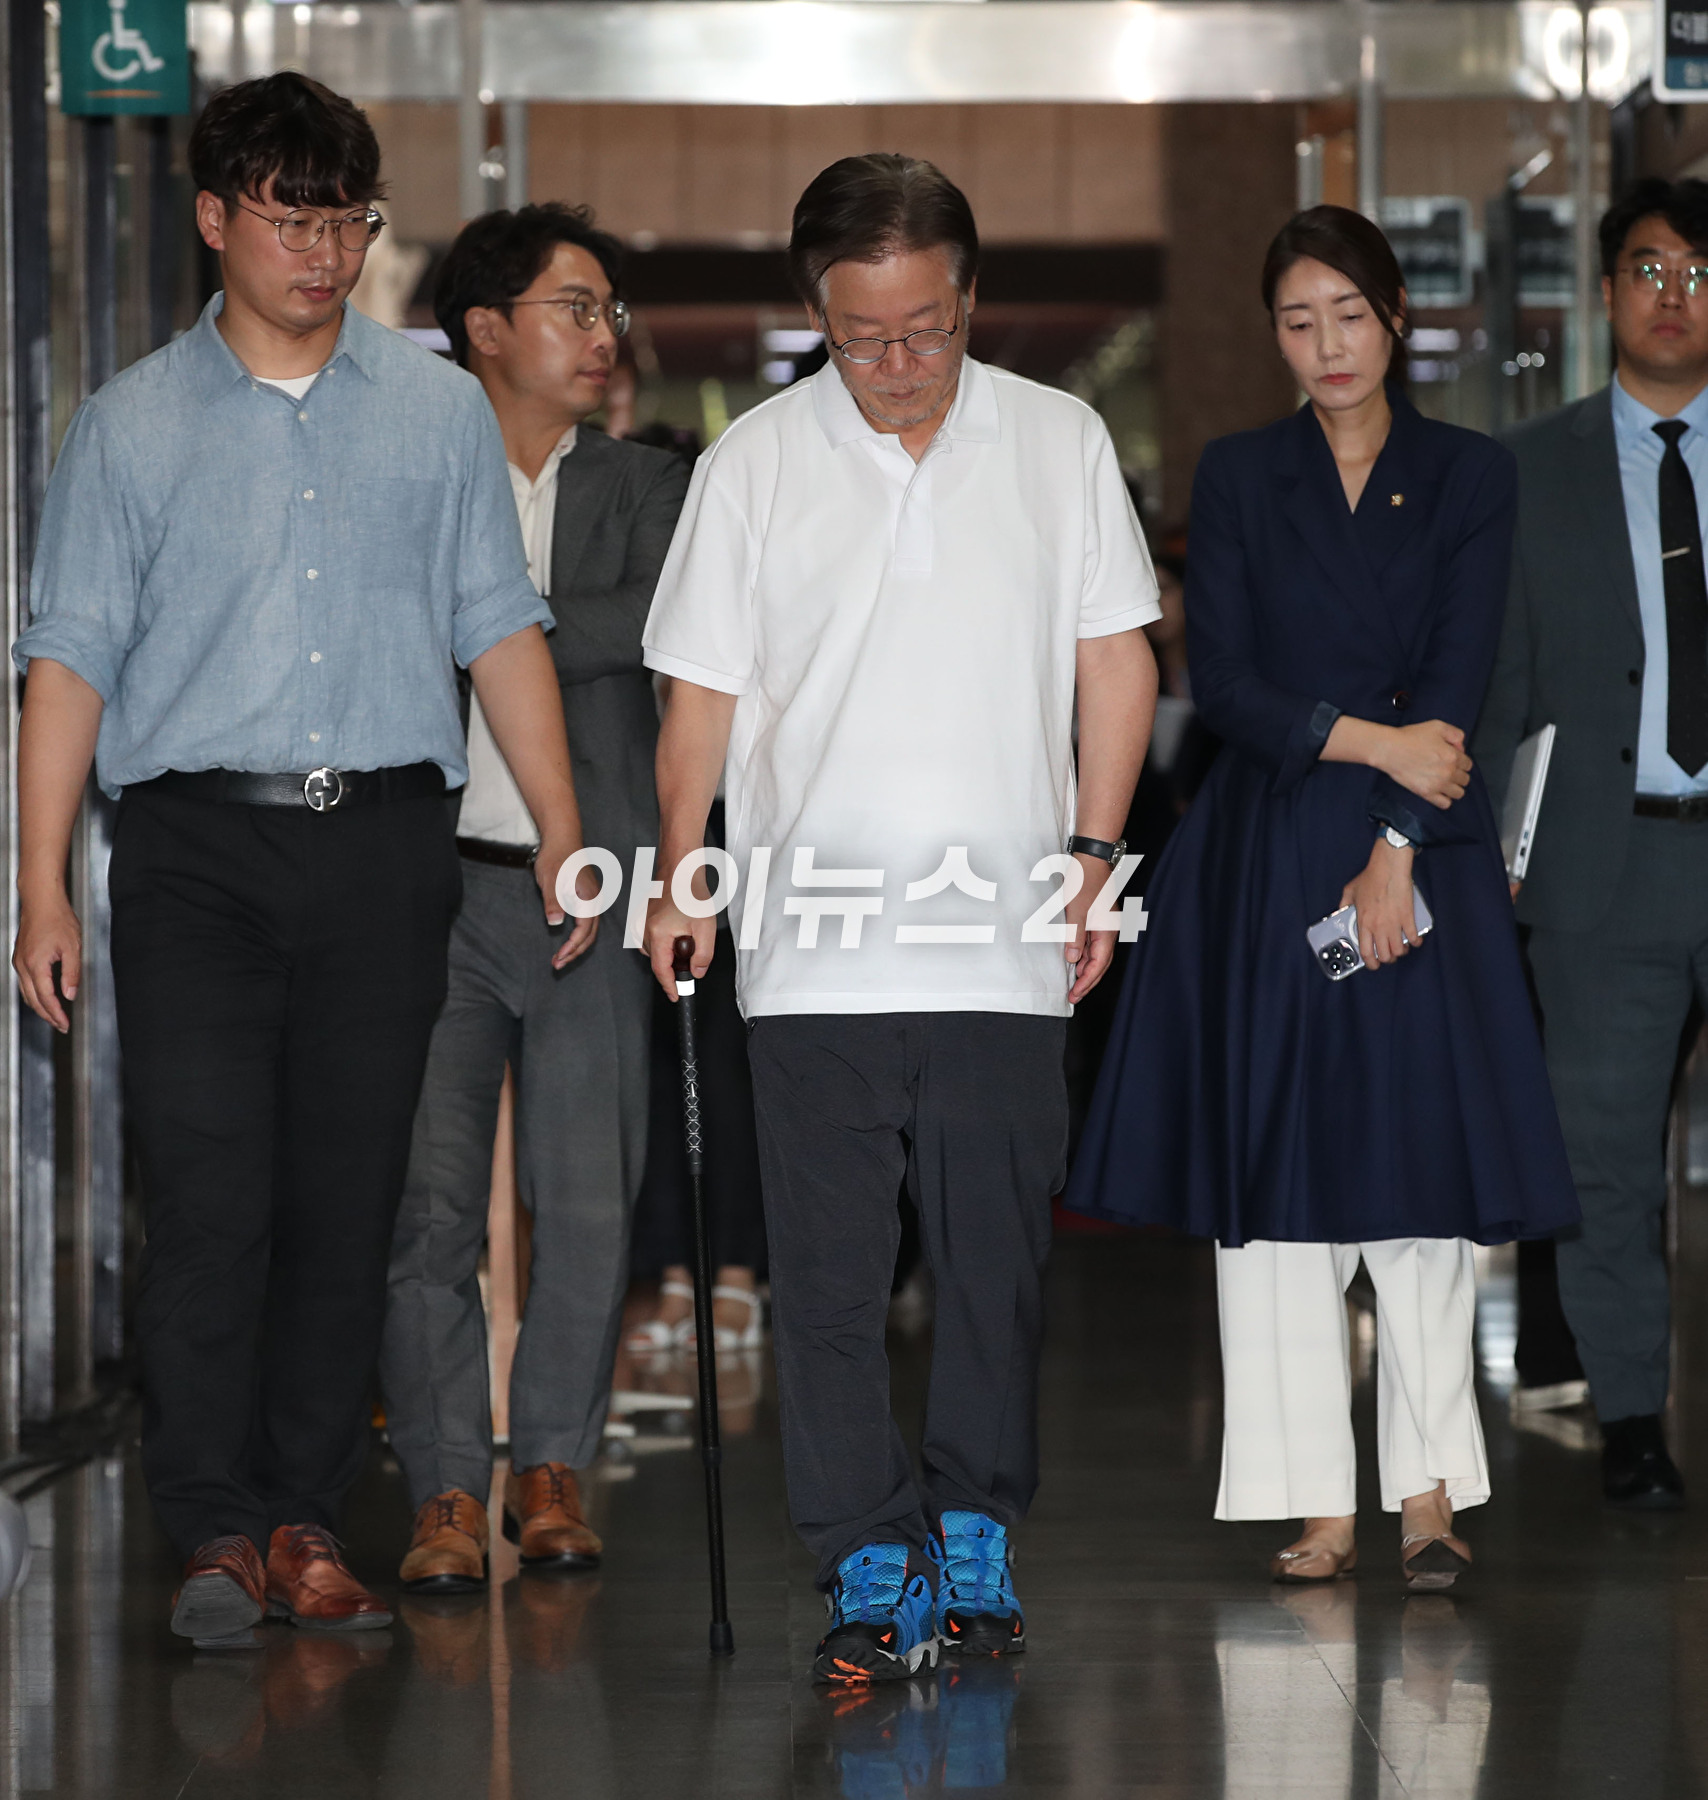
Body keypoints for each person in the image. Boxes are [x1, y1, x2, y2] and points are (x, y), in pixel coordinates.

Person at [9, 74, 589, 1645]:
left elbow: (497, 625)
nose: (324, 255)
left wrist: (561, 827)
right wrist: (42, 882)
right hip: (198, 850)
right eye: (291, 221)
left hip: (387, 843)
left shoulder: (438, 412)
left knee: (352, 1200)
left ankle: (305, 1517)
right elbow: (69, 658)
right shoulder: (131, 423)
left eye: (347, 223)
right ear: (215, 220)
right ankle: (212, 1527)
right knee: (212, 1200)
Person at [641, 153, 1160, 1684]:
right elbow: (700, 698)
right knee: (827, 1281)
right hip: (813, 943)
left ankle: (976, 1529)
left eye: (926, 328)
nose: (897, 363)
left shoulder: (1059, 441)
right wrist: (680, 867)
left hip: (1003, 935)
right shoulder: (754, 461)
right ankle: (869, 1556)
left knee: (995, 1268)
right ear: (818, 313)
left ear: (970, 298)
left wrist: (1095, 852)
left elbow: (1116, 660)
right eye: (862, 335)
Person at [1067, 205, 1579, 1590]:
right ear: (1274, 337)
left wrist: (1401, 833)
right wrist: (1375, 746)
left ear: (1396, 316)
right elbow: (1226, 682)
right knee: (1275, 1174)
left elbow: (1462, 669)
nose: (1327, 345)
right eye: (1298, 322)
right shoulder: (1242, 474)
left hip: (1426, 844)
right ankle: (1313, 1497)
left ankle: (1427, 1491)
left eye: (1349, 314)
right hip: (1276, 847)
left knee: (1421, 1169)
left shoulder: (1470, 473)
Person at [380, 203, 689, 1591]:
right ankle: (445, 1487)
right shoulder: (407, 477)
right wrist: (529, 629)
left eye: (609, 309)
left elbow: (661, 621)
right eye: (575, 306)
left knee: (590, 1200)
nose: (603, 333)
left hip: (596, 890)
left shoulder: (649, 485)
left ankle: (554, 1465)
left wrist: (483, 627)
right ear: (486, 329)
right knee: (427, 1209)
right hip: (430, 892)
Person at [1475, 177, 1708, 1510]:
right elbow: (1501, 681)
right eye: (1651, 268)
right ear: (1608, 289)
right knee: (1603, 1154)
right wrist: (1486, 859)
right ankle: (1631, 1418)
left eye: (1700, 273)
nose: (1675, 295)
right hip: (1600, 865)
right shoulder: (1526, 467)